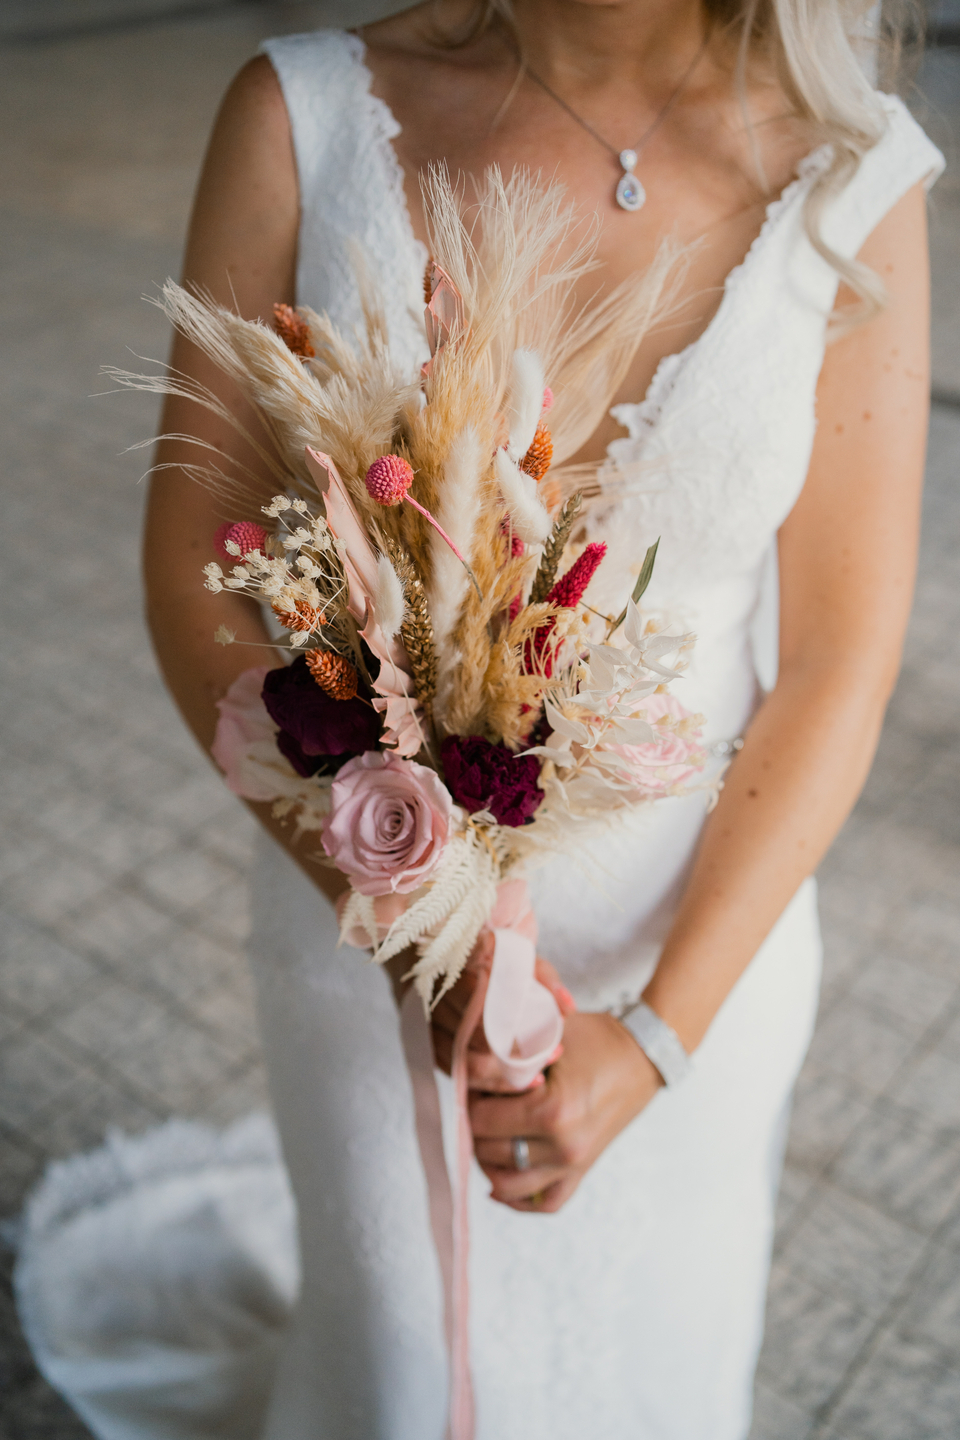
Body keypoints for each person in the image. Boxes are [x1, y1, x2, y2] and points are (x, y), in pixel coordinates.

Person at [15, 2, 944, 1438]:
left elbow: (837, 660)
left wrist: (657, 1037)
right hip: (364, 938)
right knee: (402, 1364)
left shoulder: (857, 175)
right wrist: (402, 909)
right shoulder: (302, 116)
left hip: (704, 951)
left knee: (667, 1359)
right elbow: (192, 558)